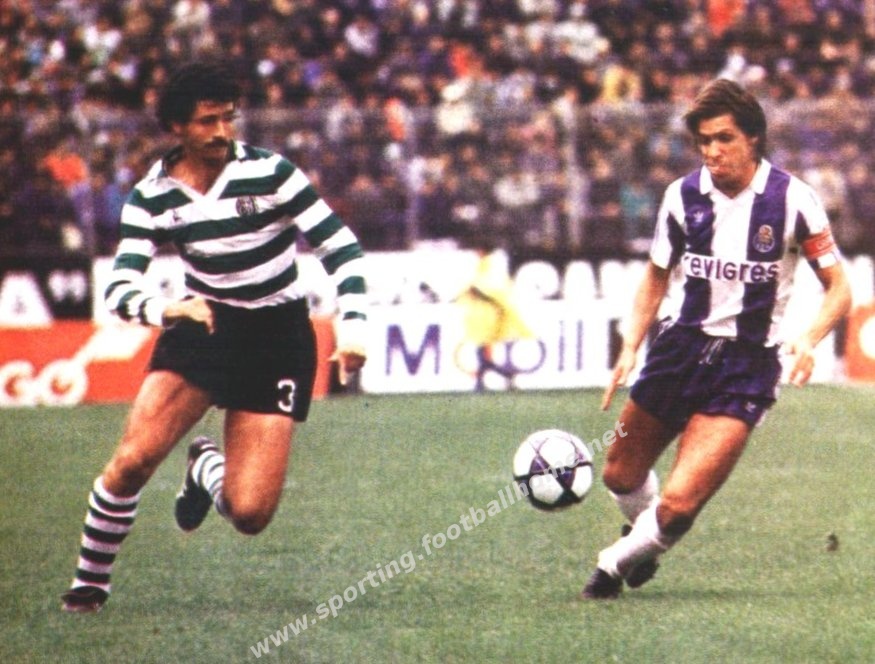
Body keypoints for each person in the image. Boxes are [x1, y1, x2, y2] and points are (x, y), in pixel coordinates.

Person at [61, 60, 368, 613]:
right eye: (207, 121)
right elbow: (120, 287)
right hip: (203, 325)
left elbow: (340, 247)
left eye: (228, 118)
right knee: (133, 460)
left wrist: (354, 323)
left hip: (277, 336)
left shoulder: (272, 173)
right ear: (177, 126)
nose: (221, 132)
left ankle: (205, 468)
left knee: (249, 514)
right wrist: (165, 309)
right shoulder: (151, 196)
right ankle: (89, 586)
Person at [581, 78, 851, 599]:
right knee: (619, 475)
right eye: (703, 140)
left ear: (753, 138)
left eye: (724, 138)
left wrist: (810, 338)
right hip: (678, 349)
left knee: (680, 505)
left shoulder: (794, 200)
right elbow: (656, 276)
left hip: (746, 366)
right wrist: (630, 345)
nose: (712, 151)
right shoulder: (682, 196)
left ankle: (613, 564)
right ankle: (643, 538)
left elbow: (839, 288)